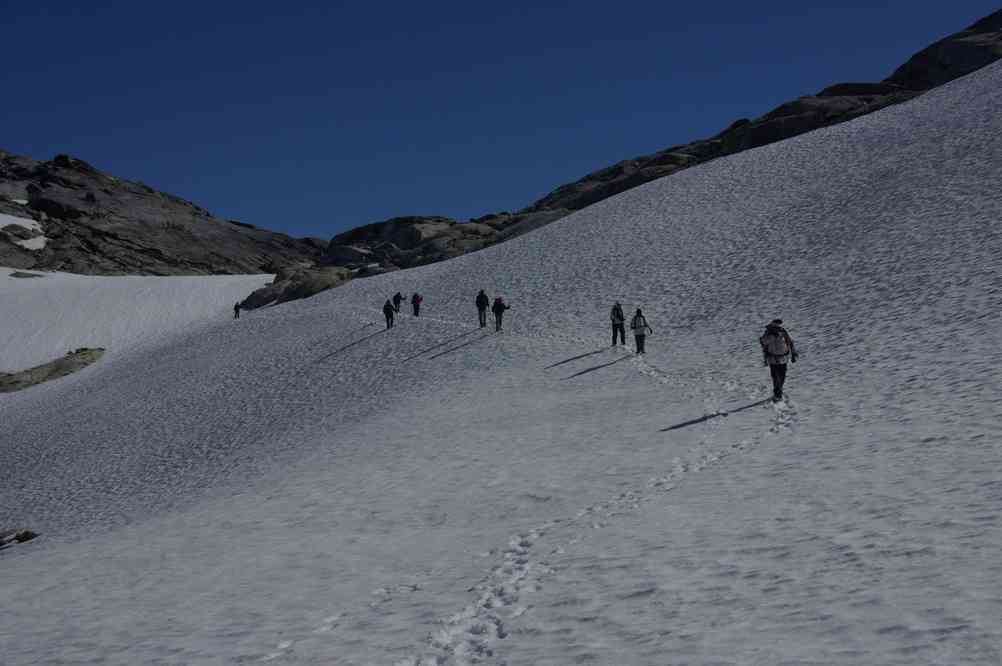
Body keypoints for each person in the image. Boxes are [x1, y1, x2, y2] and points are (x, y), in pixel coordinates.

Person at [759, 318, 798, 402]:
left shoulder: (784, 332)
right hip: (772, 359)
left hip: (783, 358)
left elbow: (790, 342)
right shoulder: (768, 333)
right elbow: (763, 342)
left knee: (782, 376)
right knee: (775, 376)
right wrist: (771, 336)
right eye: (776, 326)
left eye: (778, 326)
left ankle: (779, 390)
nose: (778, 328)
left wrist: (793, 354)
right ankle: (777, 393)